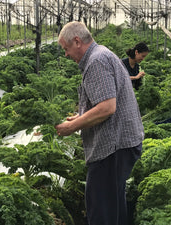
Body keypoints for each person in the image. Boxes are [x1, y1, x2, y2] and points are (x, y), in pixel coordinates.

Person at [55, 21, 144, 225]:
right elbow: (106, 102)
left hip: (113, 147)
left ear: (77, 41)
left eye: (66, 48)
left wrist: (73, 126)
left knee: (101, 208)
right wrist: (80, 117)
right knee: (112, 205)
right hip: (120, 144)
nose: (66, 54)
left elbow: (107, 108)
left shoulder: (96, 61)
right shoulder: (101, 54)